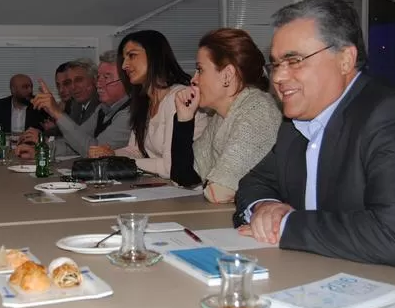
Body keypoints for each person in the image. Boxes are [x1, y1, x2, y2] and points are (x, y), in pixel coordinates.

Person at [234, 0, 395, 270]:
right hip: (315, 272)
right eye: (275, 64)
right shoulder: (295, 125)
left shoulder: (390, 115)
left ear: (345, 60)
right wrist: (265, 207)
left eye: (294, 60)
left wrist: (286, 224)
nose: (278, 77)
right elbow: (254, 182)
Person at [171, 29, 281, 203]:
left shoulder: (258, 111)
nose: (193, 79)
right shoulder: (222, 116)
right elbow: (184, 177)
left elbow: (220, 193)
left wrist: (210, 183)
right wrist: (184, 120)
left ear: (227, 75)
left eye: (200, 70)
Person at [94, 30, 207, 178]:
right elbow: (136, 151)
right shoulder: (145, 101)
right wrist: (111, 155)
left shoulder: (178, 98)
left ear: (154, 56)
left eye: (132, 56)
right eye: (124, 58)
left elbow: (170, 167)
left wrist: (123, 163)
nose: (124, 65)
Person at [16, 51, 131, 159]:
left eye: (106, 77)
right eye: (98, 77)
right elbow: (75, 144)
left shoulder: (130, 113)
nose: (98, 84)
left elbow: (95, 152)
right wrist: (40, 151)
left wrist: (57, 113)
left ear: (127, 81)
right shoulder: (102, 109)